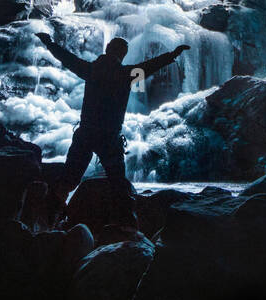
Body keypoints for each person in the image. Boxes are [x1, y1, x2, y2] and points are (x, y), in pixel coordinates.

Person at [37, 32, 189, 228]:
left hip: (86, 133)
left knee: (69, 178)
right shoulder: (126, 74)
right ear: (123, 54)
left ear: (107, 49)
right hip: (109, 137)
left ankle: (48, 219)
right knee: (118, 184)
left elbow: (66, 58)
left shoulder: (90, 70)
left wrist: (49, 42)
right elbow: (151, 66)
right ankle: (125, 227)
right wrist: (173, 54)